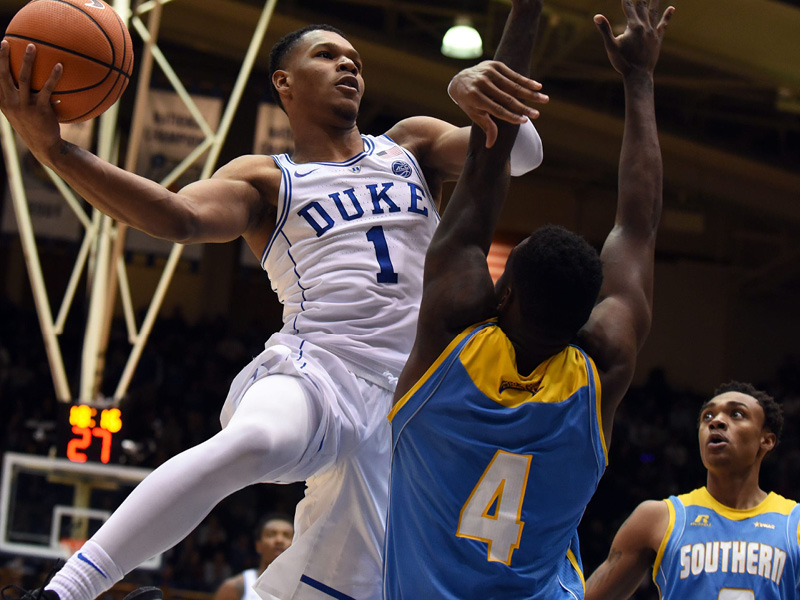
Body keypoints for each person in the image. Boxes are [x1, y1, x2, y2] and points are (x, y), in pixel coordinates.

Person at [0, 19, 549, 600]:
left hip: (413, 399)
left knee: (349, 587)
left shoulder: (411, 144)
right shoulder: (266, 177)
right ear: (284, 83)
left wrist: (475, 89)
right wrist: (53, 149)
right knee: (254, 440)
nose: (348, 66)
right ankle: (66, 591)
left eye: (355, 60)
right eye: (328, 55)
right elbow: (177, 217)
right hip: (321, 367)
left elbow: (526, 154)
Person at [382, 0, 673, 597]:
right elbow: (638, 228)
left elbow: (488, 166)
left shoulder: (451, 338)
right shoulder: (603, 366)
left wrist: (526, 10)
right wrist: (641, 83)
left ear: (504, 290)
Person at [585, 381, 800, 599]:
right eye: (708, 416)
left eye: (736, 414)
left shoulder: (795, 523)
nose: (716, 421)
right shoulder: (657, 518)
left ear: (767, 440)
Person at [214, 514, 294, 600]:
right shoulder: (235, 587)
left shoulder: (305, 589)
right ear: (258, 545)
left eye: (286, 535)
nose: (279, 540)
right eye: (271, 535)